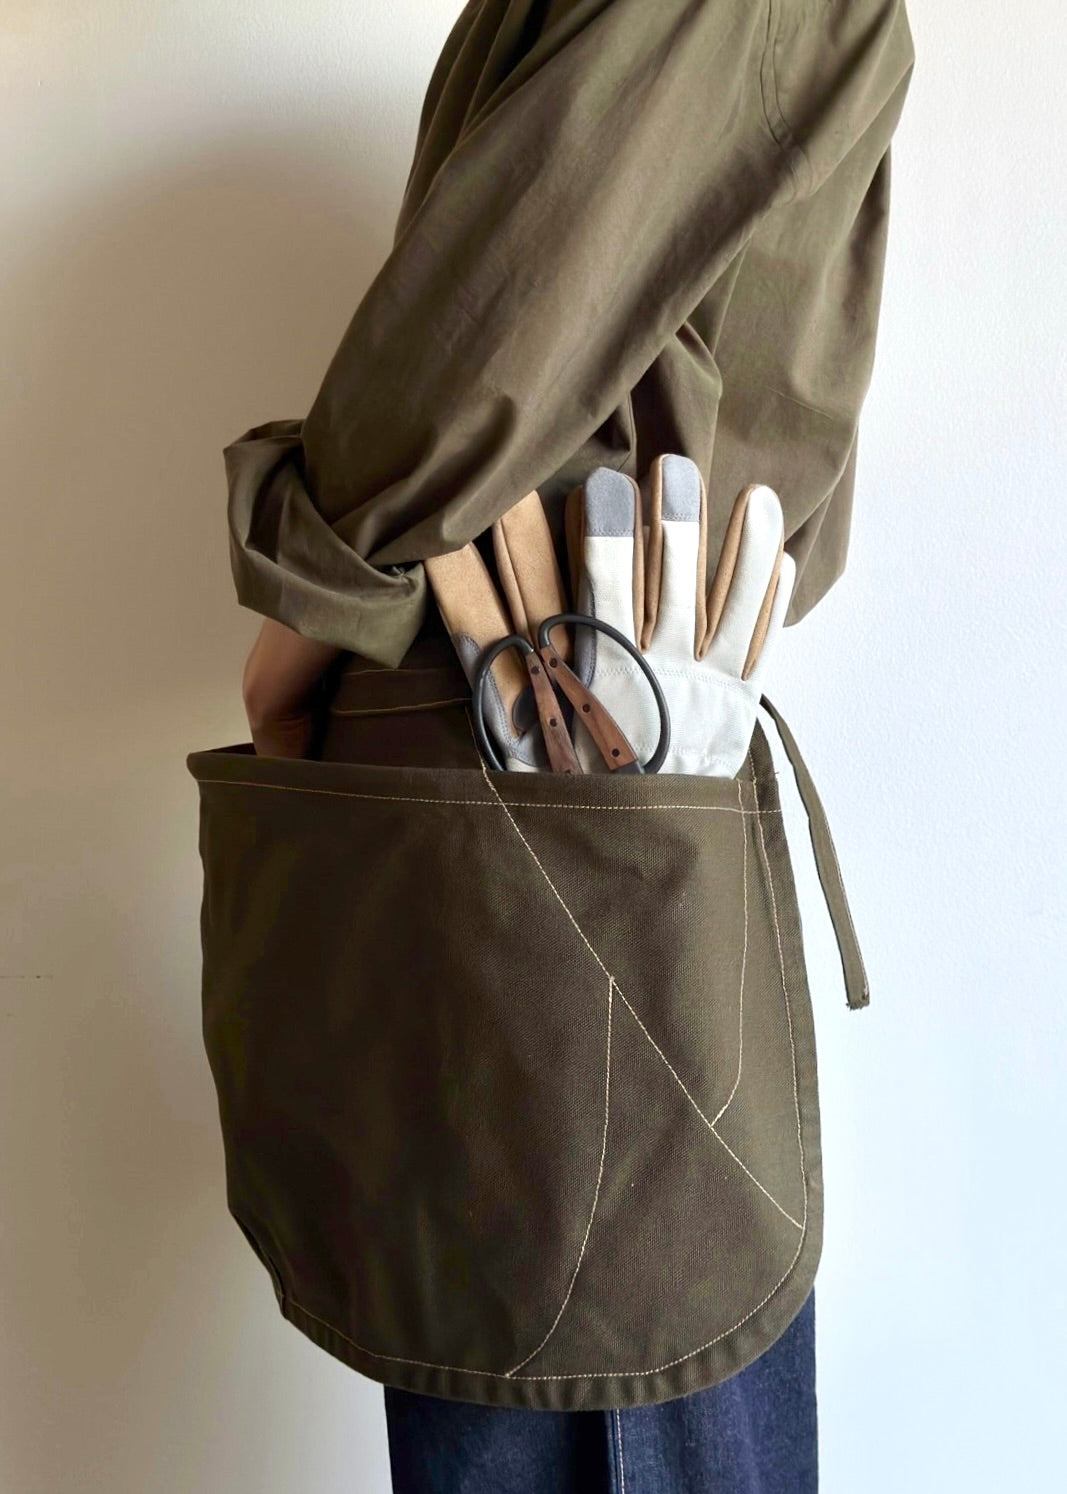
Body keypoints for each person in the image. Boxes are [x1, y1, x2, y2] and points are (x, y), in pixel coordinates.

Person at [230, 1, 915, 1486]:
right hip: (572, 755)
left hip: (561, 760)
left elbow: (480, 330)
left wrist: (305, 613)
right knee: (588, 1363)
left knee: (590, 1355)